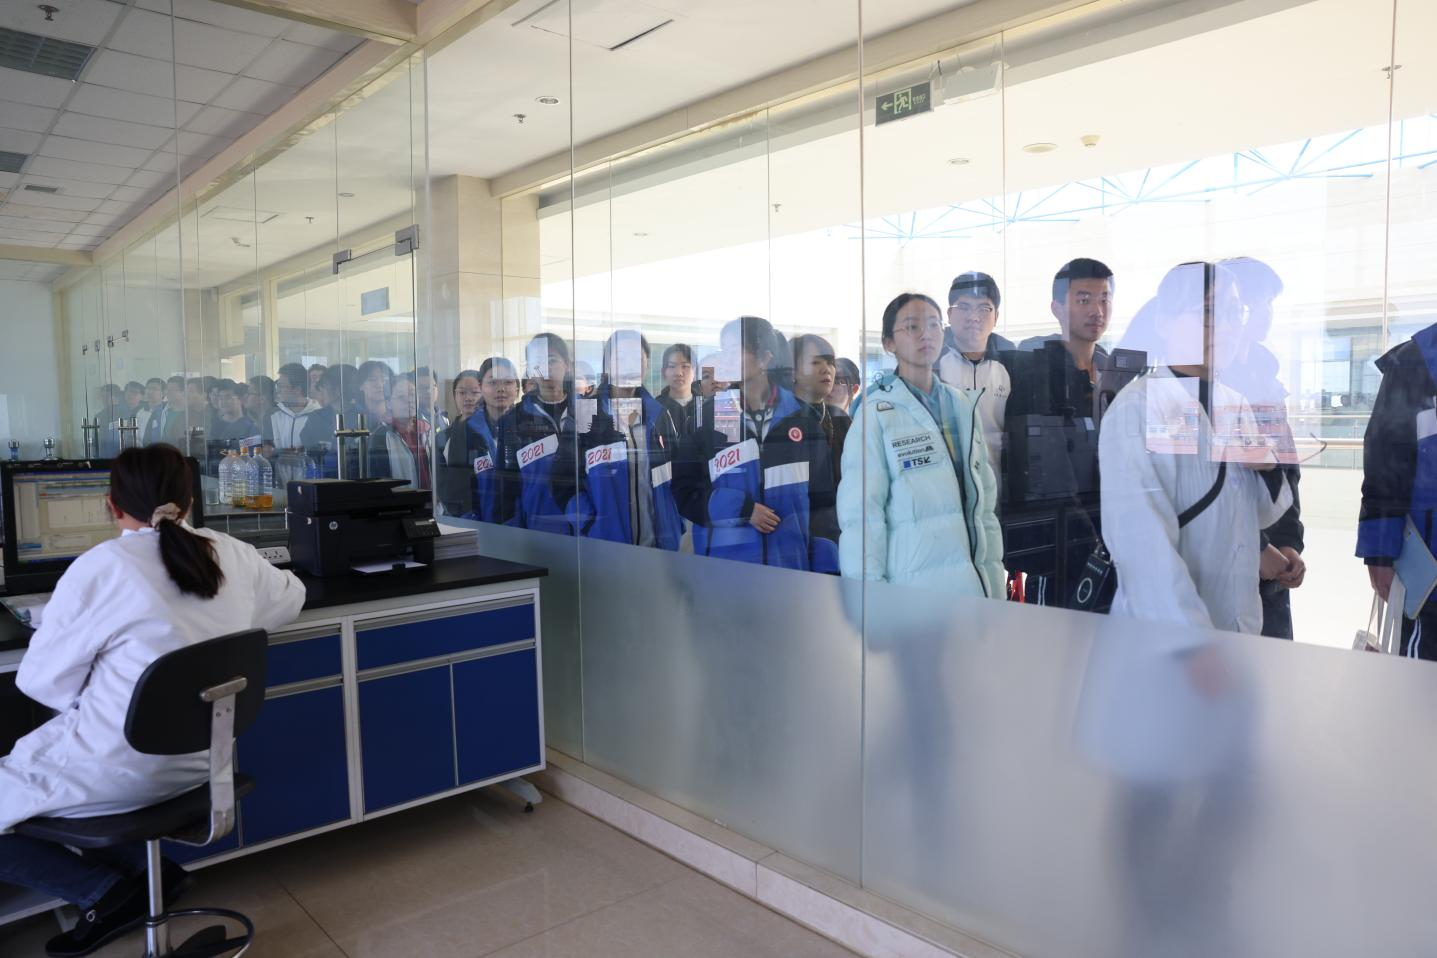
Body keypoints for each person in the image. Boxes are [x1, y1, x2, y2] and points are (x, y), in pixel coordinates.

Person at [0, 445, 303, 956]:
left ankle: (104, 894)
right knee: (57, 784)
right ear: (190, 502)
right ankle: (151, 872)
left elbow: (41, 685)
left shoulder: (100, 568)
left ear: (111, 506)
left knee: (35, 784)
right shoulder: (231, 552)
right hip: (203, 766)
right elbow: (292, 598)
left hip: (119, 772)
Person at [1100, 262, 1292, 635]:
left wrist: (1270, 469)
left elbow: (1258, 514)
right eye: (1208, 311)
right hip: (1170, 639)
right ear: (1164, 322)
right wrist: (1194, 645)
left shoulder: (1235, 403)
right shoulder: (1138, 407)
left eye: (1234, 313)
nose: (1226, 326)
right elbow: (1143, 547)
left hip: (1238, 623)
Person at [837, 293, 1003, 593]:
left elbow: (984, 508)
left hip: (971, 589)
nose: (926, 334)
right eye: (913, 327)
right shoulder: (876, 414)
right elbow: (861, 518)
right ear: (889, 343)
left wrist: (994, 589)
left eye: (934, 325)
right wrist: (870, 600)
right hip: (913, 590)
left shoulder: (961, 405)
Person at [672, 316, 840, 571]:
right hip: (725, 569)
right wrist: (741, 508)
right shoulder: (706, 419)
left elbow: (823, 504)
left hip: (790, 566)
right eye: (724, 350)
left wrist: (823, 570)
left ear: (764, 358)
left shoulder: (803, 419)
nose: (726, 359)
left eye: (735, 350)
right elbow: (685, 492)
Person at [1009, 258, 1119, 608]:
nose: (1097, 310)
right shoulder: (1035, 373)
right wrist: (1091, 540)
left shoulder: (1114, 374)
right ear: (1057, 308)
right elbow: (1044, 470)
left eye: (1104, 299)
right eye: (1083, 299)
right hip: (1055, 544)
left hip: (1114, 540)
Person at [1221, 256, 1305, 638]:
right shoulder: (1205, 384)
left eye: (1270, 302)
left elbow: (1287, 471)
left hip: (1274, 564)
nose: (1266, 312)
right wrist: (1257, 546)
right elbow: (1207, 486)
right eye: (1259, 301)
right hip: (1225, 563)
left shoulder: (1267, 381)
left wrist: (1289, 543)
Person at [552, 331, 685, 549]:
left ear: (646, 364)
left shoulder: (659, 415)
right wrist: (591, 524)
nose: (629, 364)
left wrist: (675, 525)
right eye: (621, 357)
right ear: (607, 365)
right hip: (606, 548)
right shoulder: (586, 414)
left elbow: (678, 478)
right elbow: (562, 481)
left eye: (637, 358)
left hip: (660, 548)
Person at [1357, 321, 1437, 659]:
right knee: (1421, 682)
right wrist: (1380, 553)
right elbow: (1384, 463)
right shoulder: (1415, 361)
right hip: (1430, 576)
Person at [499, 333, 577, 534]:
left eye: (552, 361)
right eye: (538, 362)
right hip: (538, 532)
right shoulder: (514, 420)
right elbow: (508, 487)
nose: (546, 369)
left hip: (586, 531)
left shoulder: (588, 412)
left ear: (568, 365)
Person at [936, 271, 1013, 461]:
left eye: (984, 308)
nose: (973, 317)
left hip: (998, 475)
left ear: (996, 317)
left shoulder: (1011, 361)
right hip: (947, 475)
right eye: (963, 307)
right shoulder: (932, 360)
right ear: (949, 314)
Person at [444, 360, 519, 522]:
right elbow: (458, 489)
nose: (501, 388)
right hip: (483, 526)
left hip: (526, 527)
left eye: (508, 382)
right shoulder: (466, 430)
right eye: (492, 382)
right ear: (481, 387)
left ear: (517, 388)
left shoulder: (527, 426)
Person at [791, 332, 852, 490]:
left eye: (831, 363)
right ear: (793, 371)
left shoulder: (841, 419)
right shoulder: (781, 418)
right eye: (815, 362)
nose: (826, 370)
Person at [368, 373, 431, 490]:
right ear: (388, 403)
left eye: (412, 395)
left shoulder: (428, 430)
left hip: (431, 499)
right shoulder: (381, 437)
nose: (409, 401)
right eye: (401, 397)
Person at [268, 363, 322, 453]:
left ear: (297, 390)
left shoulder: (319, 414)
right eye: (278, 385)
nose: (278, 390)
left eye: (281, 386)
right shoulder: (274, 413)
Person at [657, 343, 697, 433]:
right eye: (672, 366)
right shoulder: (656, 408)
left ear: (694, 371)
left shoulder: (703, 406)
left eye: (685, 366)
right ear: (664, 372)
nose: (678, 373)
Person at [208, 379, 258, 446]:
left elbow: (253, 448)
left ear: (240, 398)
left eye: (228, 397)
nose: (223, 402)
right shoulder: (214, 424)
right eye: (221, 398)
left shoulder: (250, 425)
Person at [356, 360, 394, 427]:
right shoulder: (354, 415)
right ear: (360, 385)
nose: (379, 385)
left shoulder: (398, 413)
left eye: (384, 380)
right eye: (372, 379)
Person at [245, 375, 277, 446]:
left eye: (249, 393)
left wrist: (240, 444)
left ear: (262, 399)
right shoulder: (252, 419)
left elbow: (264, 444)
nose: (245, 396)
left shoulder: (275, 422)